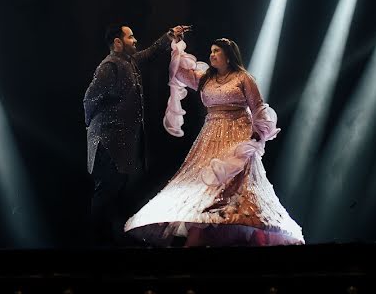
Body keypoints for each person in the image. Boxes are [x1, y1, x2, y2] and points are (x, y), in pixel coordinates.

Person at [124, 37, 304, 246]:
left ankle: (237, 235)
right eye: (211, 50)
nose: (211, 54)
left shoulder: (243, 78)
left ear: (228, 56)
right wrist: (176, 46)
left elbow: (258, 107)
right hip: (211, 136)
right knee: (205, 185)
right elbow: (179, 73)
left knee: (235, 186)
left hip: (238, 135)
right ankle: (205, 234)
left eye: (216, 51)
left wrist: (257, 134)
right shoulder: (205, 79)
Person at [84, 23, 189, 245]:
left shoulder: (127, 61)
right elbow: (90, 99)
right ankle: (96, 243)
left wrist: (169, 35)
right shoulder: (109, 66)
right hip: (107, 141)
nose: (135, 40)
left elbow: (149, 53)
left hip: (120, 142)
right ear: (117, 42)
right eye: (130, 37)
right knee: (106, 192)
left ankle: (111, 240)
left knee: (117, 191)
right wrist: (95, 128)